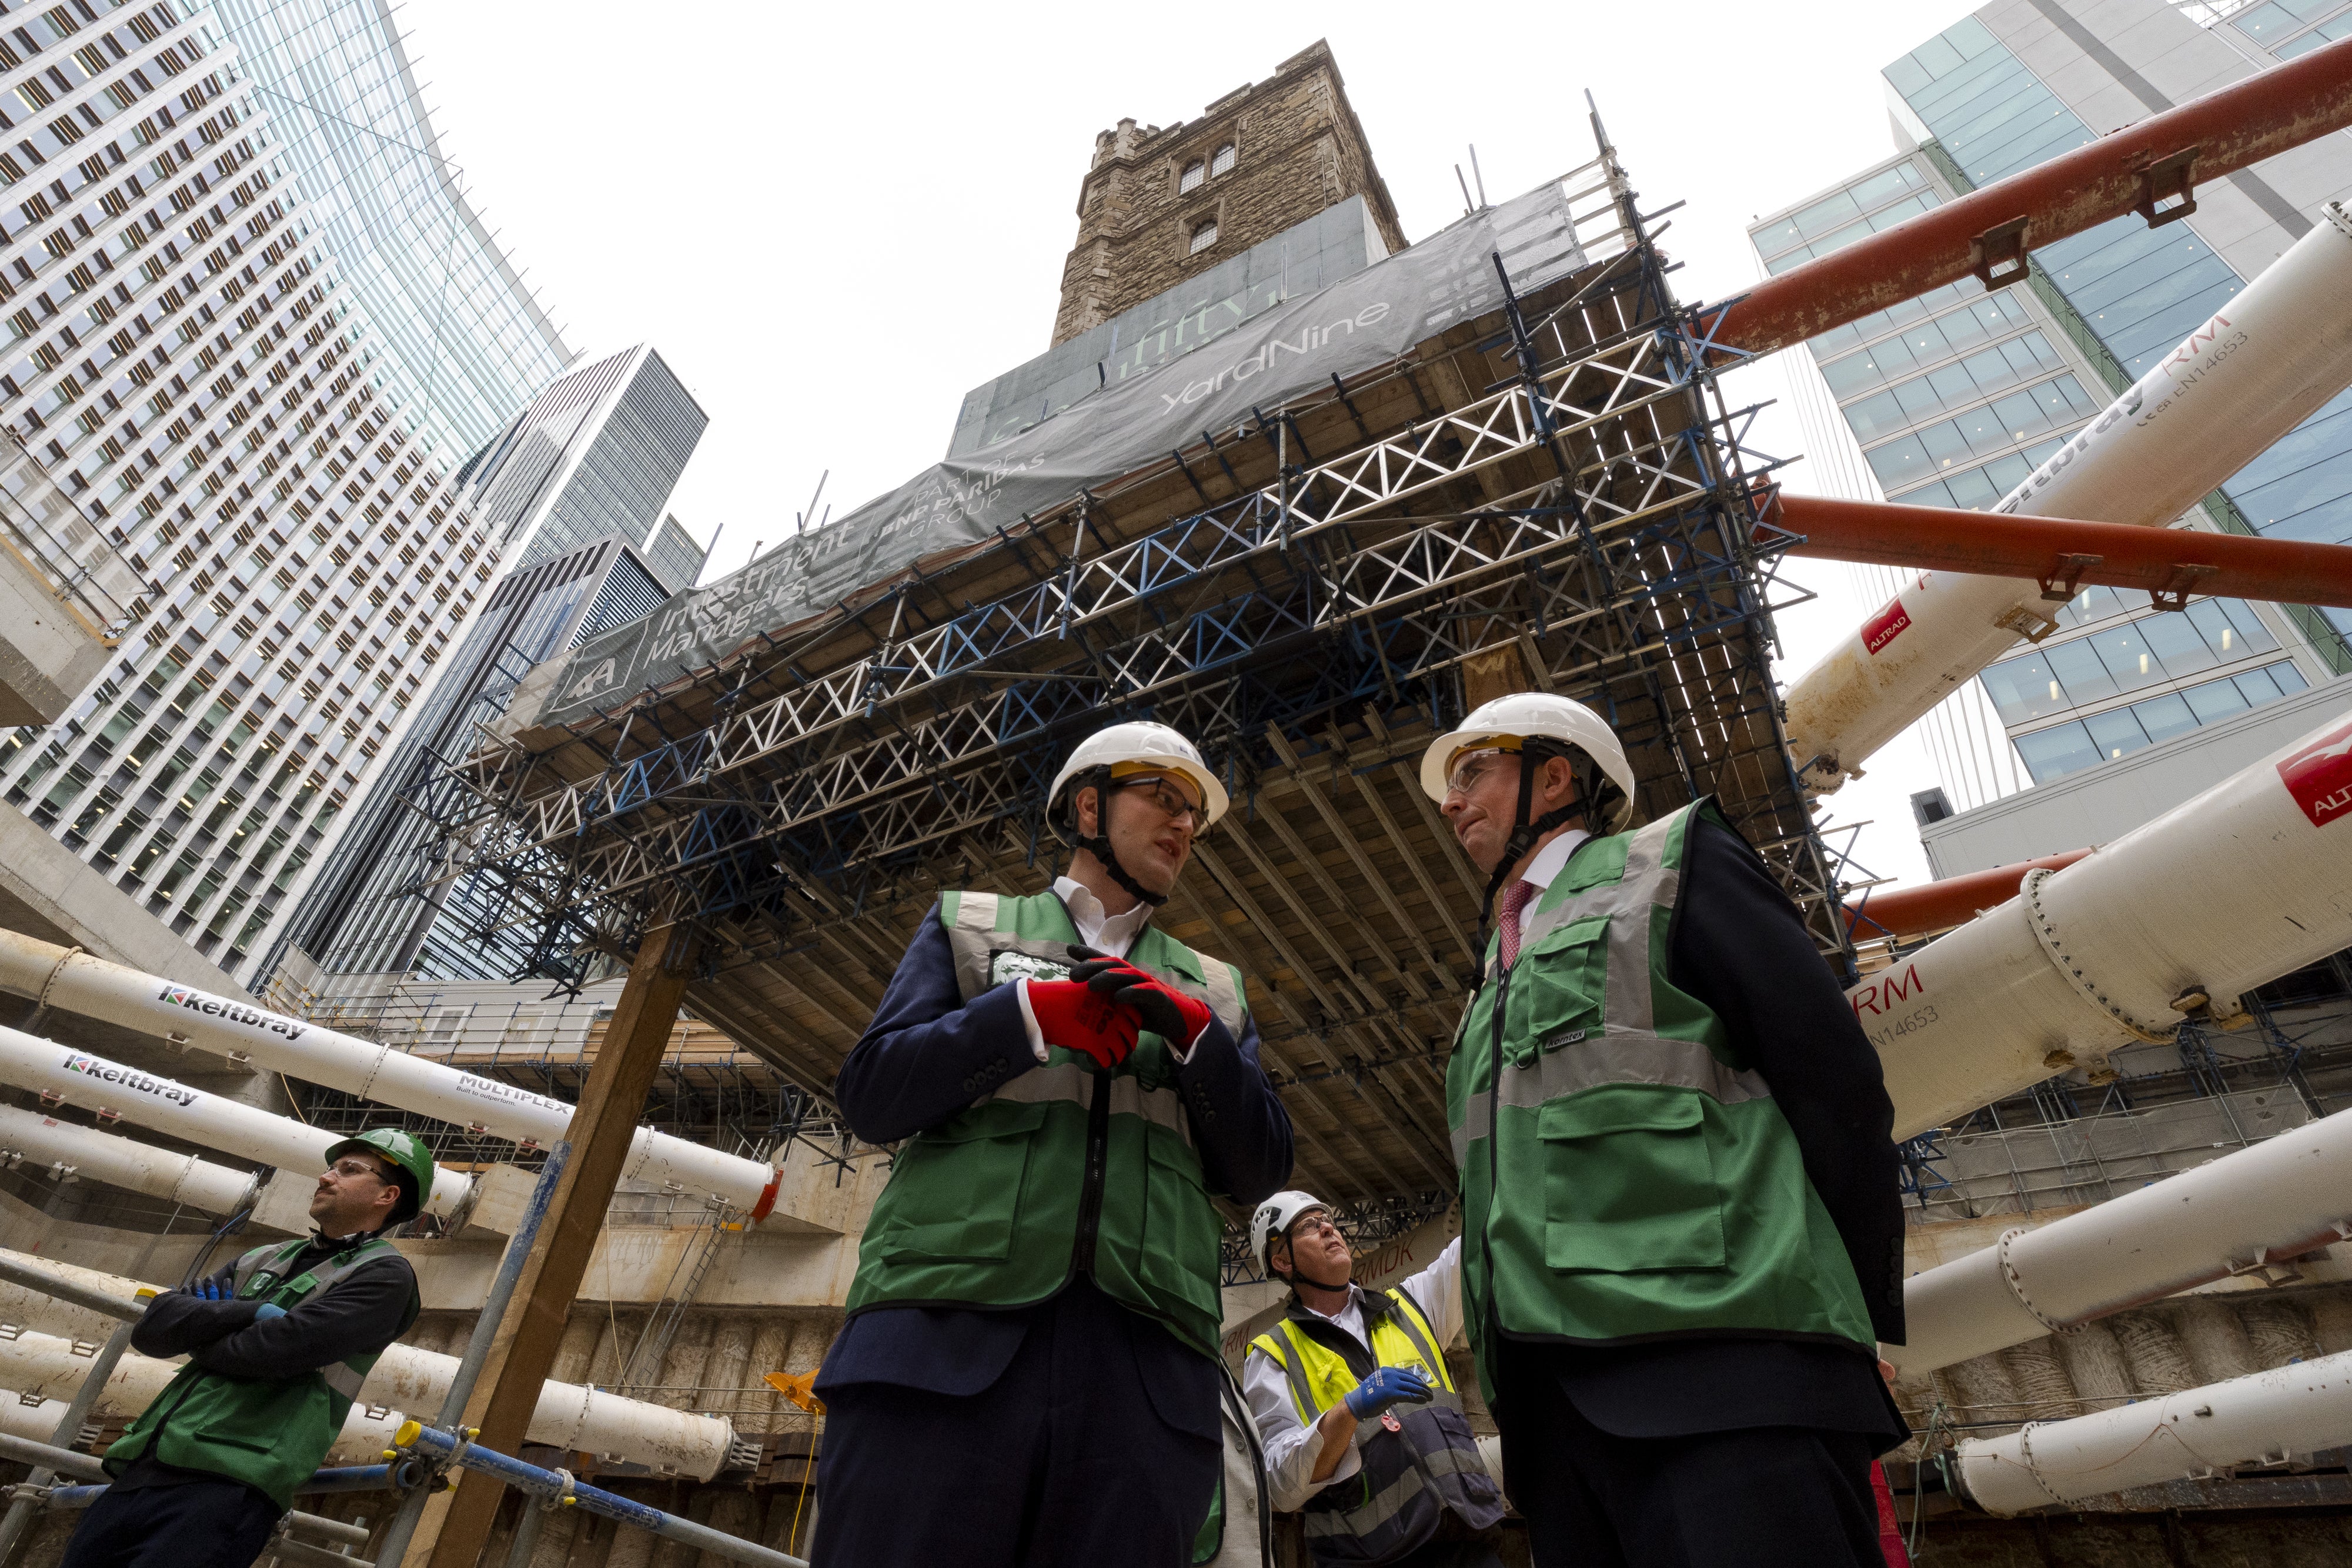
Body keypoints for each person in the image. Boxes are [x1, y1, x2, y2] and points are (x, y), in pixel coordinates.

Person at [1424, 693, 1907, 1568]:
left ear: (1556, 773)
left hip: (1729, 1379)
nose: (1452, 801)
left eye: (1472, 771)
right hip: (1555, 1422)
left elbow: (1834, 1082)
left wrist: (1833, 1318)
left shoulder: (1672, 858)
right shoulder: (1491, 973)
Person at [814, 720, 1295, 1568]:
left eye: (1196, 812)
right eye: (1164, 798)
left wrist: (1196, 1041)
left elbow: (1261, 1167)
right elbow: (874, 1094)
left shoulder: (1213, 988)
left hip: (1142, 1376)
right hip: (942, 1339)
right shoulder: (967, 926)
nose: (1185, 824)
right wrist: (1029, 1015)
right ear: (1087, 804)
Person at [65, 1128, 433, 1568]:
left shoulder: (385, 1276)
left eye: (349, 1170)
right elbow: (155, 1329)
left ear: (387, 1194)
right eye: (331, 1166)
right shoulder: (264, 1257)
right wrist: (252, 1313)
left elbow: (275, 1350)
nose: (326, 1176)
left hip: (230, 1481)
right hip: (144, 1465)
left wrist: (206, 1331)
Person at [1242, 1191, 1504, 1568]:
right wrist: (1349, 1409)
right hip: (1375, 1557)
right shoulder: (1273, 1355)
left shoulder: (1411, 1306)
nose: (1328, 1228)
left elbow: (1475, 1244)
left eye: (1328, 1220)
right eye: (1309, 1226)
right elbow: (1282, 1486)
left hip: (1468, 1540)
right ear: (1282, 1260)